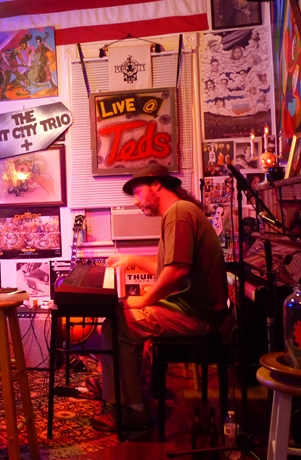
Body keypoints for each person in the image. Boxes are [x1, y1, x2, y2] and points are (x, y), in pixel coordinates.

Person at [92, 164, 228, 431]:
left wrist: (145, 301)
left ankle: (133, 411)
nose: (135, 201)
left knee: (116, 325)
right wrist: (132, 259)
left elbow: (177, 271)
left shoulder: (178, 213)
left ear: (156, 185)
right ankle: (135, 390)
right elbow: (166, 266)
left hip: (196, 316)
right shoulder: (182, 211)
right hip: (195, 311)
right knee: (120, 315)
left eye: (137, 192)